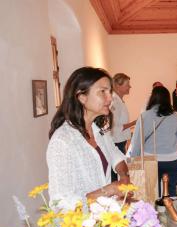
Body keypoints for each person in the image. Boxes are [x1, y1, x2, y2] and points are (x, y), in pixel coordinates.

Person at [47, 67, 131, 204]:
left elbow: (115, 154)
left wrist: (123, 176)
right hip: (81, 223)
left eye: (110, 91)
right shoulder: (63, 141)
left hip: (104, 218)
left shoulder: (98, 129)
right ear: (82, 97)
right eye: (102, 92)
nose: (110, 98)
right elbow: (60, 203)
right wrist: (108, 190)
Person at [128, 86, 177, 196]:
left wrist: (133, 160)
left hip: (150, 158)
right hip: (172, 159)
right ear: (168, 99)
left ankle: (155, 212)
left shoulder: (144, 116)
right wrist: (172, 147)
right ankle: (171, 211)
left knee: (151, 193)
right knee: (172, 192)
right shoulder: (174, 116)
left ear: (152, 98)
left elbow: (137, 140)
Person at [110, 73, 136, 182]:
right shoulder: (115, 102)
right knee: (118, 171)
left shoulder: (119, 100)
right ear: (118, 86)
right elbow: (114, 127)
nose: (130, 87)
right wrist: (134, 123)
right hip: (116, 141)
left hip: (120, 141)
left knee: (121, 170)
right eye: (127, 85)